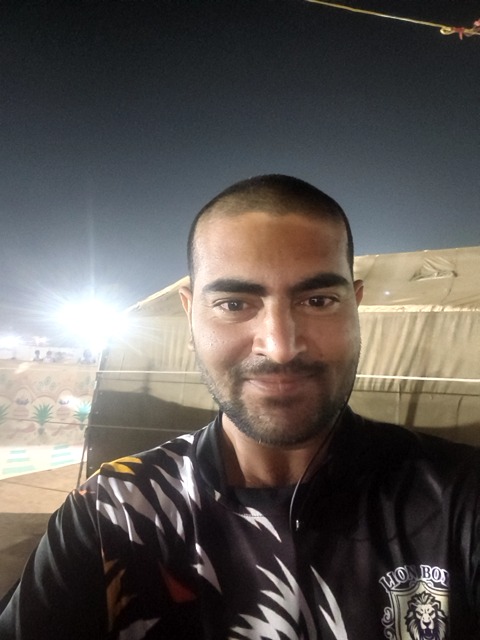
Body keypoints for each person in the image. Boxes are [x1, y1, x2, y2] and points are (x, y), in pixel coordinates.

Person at [0, 175, 479, 639]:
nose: (281, 347)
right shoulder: (111, 515)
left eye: (317, 300)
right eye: (234, 304)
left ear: (356, 308)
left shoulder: (461, 495)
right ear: (190, 315)